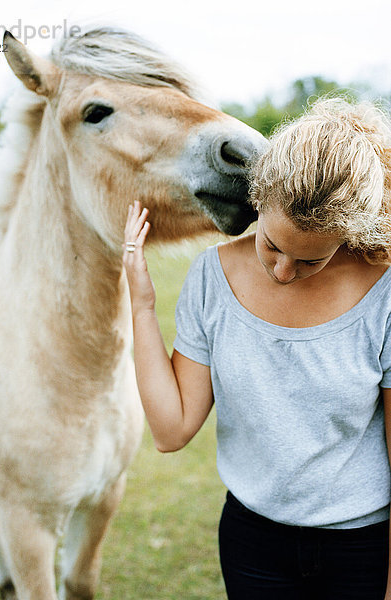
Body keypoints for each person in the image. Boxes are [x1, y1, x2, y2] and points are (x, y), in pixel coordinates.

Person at [122, 97, 391, 600]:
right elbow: (171, 428)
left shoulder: (385, 293)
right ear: (259, 201)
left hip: (364, 547)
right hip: (253, 543)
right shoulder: (211, 276)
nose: (284, 272)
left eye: (311, 261)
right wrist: (141, 302)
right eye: (272, 245)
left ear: (348, 236)